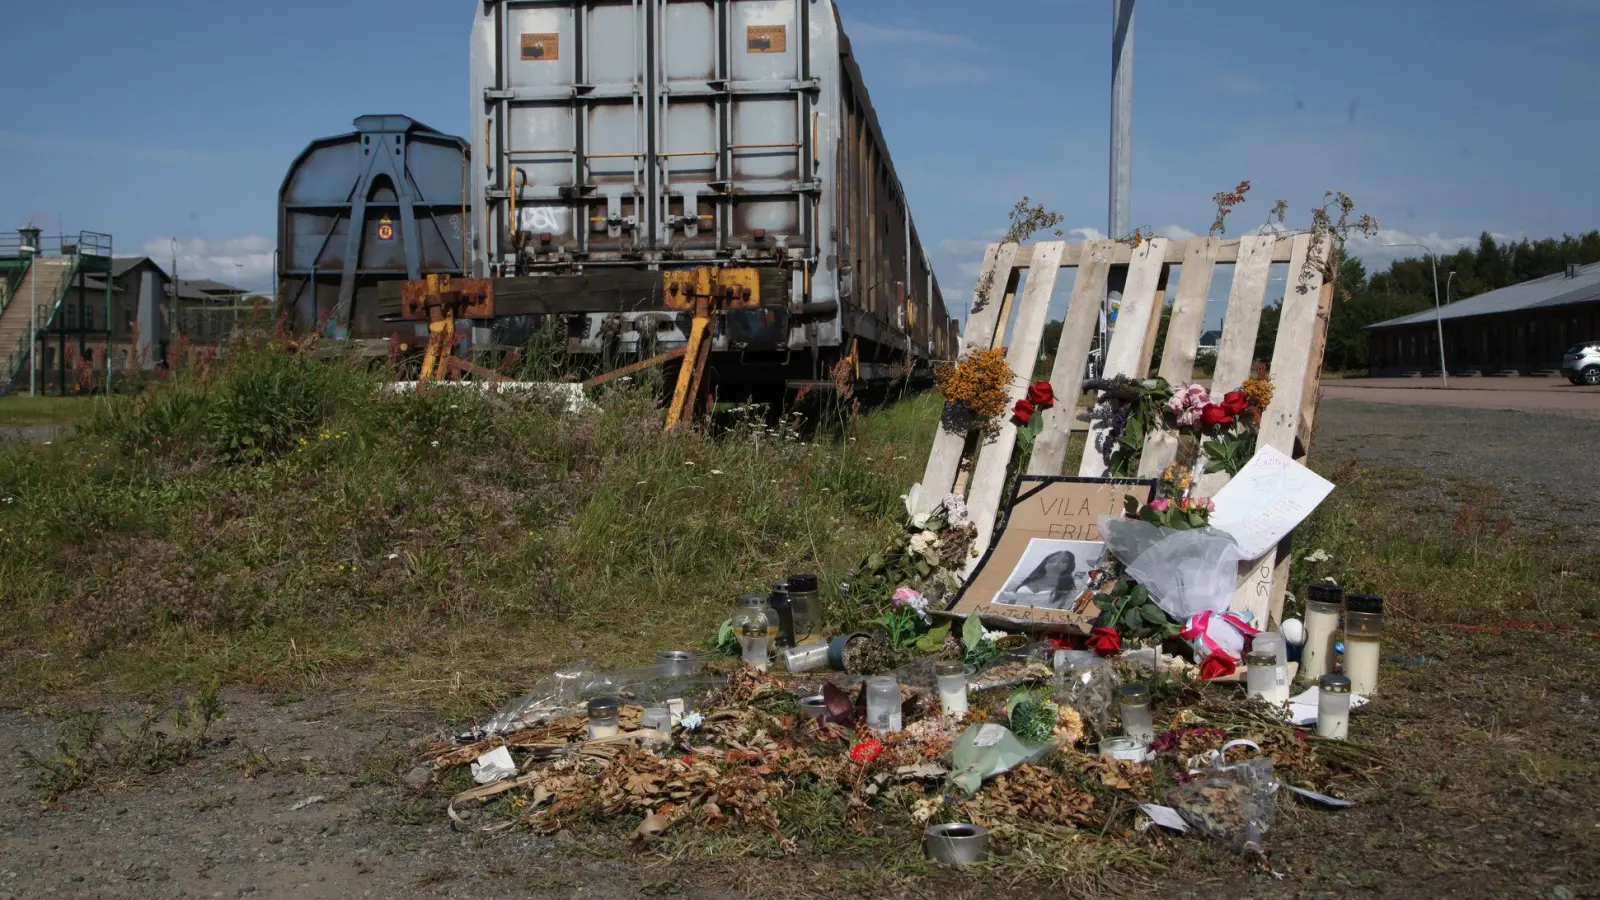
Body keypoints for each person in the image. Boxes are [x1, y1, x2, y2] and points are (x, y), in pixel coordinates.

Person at [995, 550, 1079, 609]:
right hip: (1013, 617)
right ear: (1044, 562)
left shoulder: (1069, 588)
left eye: (1064, 561)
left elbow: (1066, 609)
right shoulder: (1029, 579)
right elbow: (1015, 597)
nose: (1056, 565)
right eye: (1051, 561)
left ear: (1069, 565)